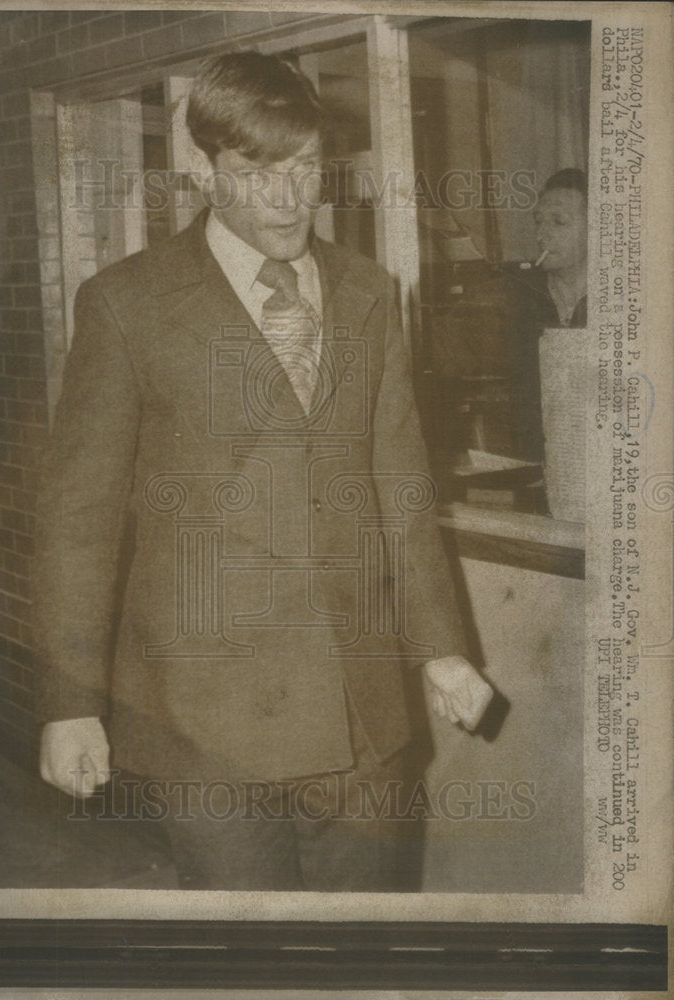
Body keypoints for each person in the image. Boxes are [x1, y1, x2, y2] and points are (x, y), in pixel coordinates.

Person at [34, 51, 492, 892]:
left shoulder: (367, 292)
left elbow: (401, 486)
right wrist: (71, 702)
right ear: (206, 170)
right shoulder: (127, 304)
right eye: (257, 172)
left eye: (306, 168)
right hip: (203, 718)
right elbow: (79, 518)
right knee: (254, 958)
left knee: (359, 955)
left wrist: (442, 650)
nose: (289, 198)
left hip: (363, 711)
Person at [433, 168, 588, 465]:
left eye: (559, 221)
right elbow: (446, 351)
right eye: (538, 221)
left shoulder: (623, 298)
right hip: (530, 462)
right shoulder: (514, 293)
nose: (542, 233)